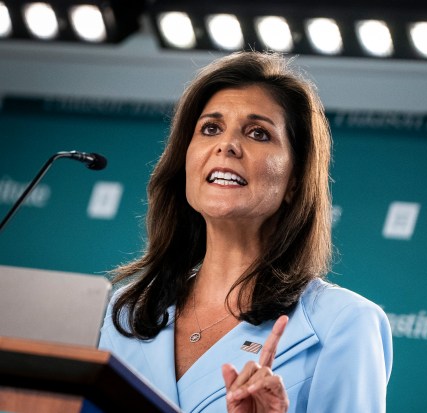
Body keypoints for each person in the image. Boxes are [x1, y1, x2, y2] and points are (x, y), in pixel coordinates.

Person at [98, 51, 393, 412]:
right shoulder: (126, 311)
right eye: (211, 128)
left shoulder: (344, 324)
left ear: (295, 181)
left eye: (258, 133)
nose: (227, 145)